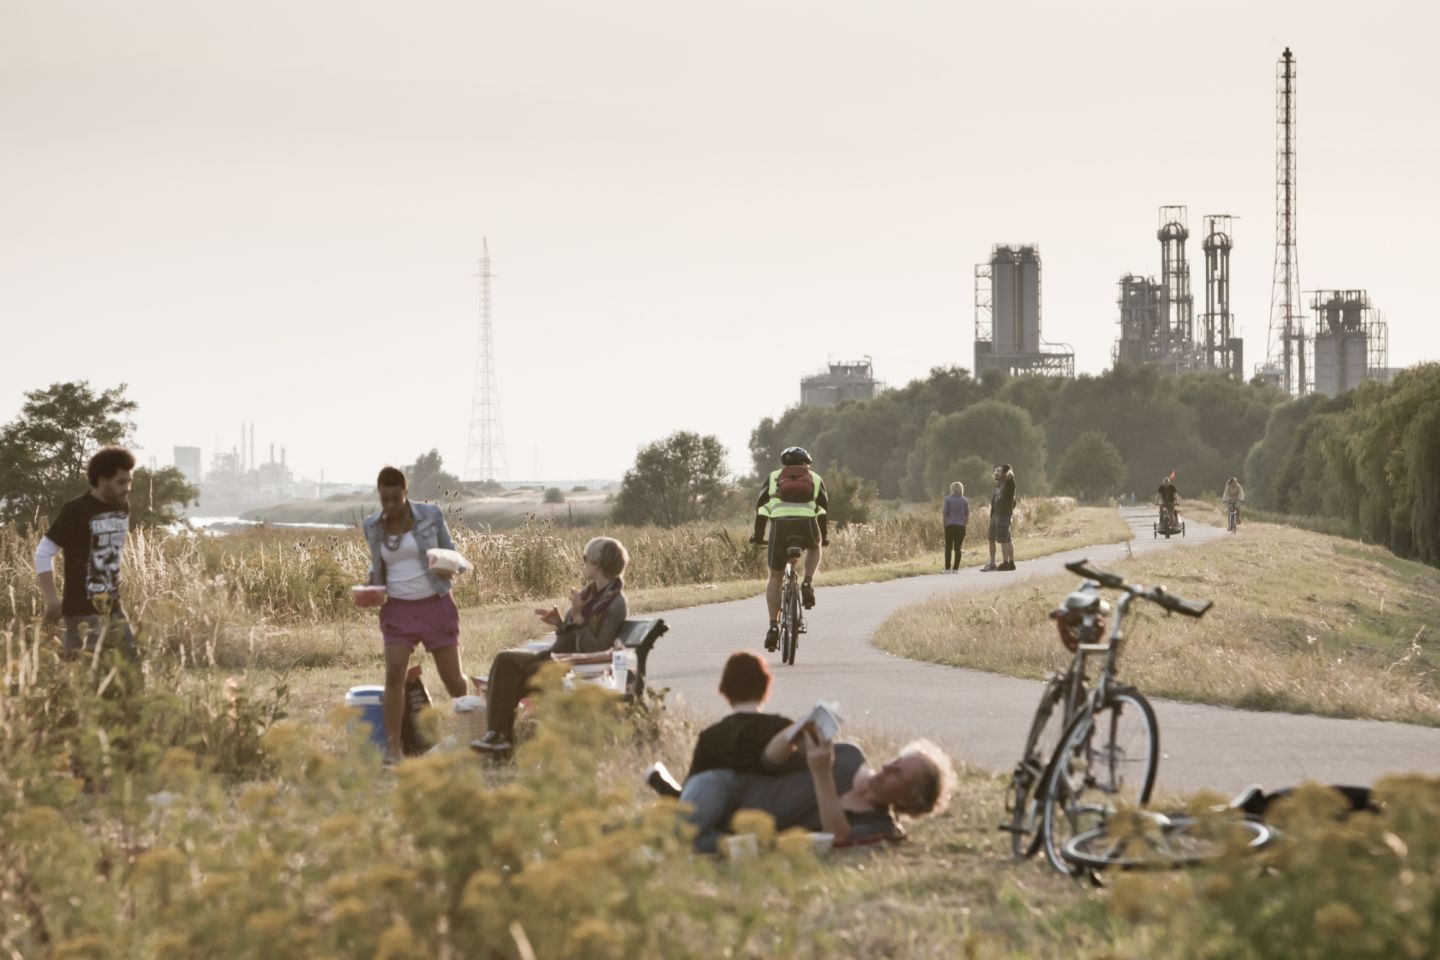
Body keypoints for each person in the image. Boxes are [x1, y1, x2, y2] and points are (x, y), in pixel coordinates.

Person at [471, 536, 630, 754]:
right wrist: (560, 622)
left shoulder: (615, 603)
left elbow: (597, 648)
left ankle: (503, 742)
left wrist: (578, 617)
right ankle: (497, 735)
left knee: (514, 676)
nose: (583, 563)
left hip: (574, 666)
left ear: (597, 563)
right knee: (505, 660)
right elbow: (573, 634)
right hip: (558, 655)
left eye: (585, 559)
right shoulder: (591, 594)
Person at [680, 727, 953, 853]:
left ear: (908, 798)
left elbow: (836, 837)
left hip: (742, 831)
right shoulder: (849, 756)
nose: (887, 767)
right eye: (895, 761)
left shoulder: (876, 825)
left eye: (898, 773)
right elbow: (769, 759)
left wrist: (822, 772)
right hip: (727, 788)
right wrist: (796, 732)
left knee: (685, 839)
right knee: (685, 835)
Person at [362, 466, 469, 763]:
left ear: (406, 493)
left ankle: (471, 733)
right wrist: (371, 584)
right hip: (398, 609)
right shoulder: (372, 526)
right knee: (394, 673)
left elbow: (454, 554)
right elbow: (378, 566)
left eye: (396, 498)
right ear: (380, 495)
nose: (390, 506)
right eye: (385, 499)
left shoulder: (430, 515)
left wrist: (446, 564)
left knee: (453, 680)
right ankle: (394, 750)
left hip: (435, 604)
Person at [34, 447, 139, 659]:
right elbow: (43, 553)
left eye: (129, 481)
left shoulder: (122, 506)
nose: (127, 488)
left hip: (113, 607)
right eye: (121, 482)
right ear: (102, 480)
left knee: (132, 670)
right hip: (82, 611)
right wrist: (52, 599)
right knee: (83, 676)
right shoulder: (76, 510)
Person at [649, 651, 798, 797]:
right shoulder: (784, 731)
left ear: (724, 690)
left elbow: (689, 797)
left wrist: (656, 779)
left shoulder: (711, 738)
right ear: (766, 686)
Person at [751, 447, 829, 653]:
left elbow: (761, 509)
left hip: (780, 527)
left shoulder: (773, 477)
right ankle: (807, 582)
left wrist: (758, 537)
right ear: (806, 463)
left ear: (784, 464)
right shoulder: (815, 478)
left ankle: (773, 626)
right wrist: (825, 536)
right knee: (815, 546)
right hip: (806, 525)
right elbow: (822, 511)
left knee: (775, 577)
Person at [981, 464, 1017, 572]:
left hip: (1003, 515)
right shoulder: (998, 485)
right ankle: (994, 563)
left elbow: (1011, 476)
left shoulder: (1009, 484)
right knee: (995, 538)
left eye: (999, 471)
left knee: (1004, 540)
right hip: (995, 515)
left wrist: (1008, 472)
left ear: (1005, 474)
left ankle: (1007, 563)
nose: (996, 473)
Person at [942, 482, 969, 573]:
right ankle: (956, 568)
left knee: (948, 547)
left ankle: (947, 568)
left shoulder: (948, 499)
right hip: (961, 526)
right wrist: (964, 524)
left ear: (952, 489)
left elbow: (945, 513)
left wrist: (944, 524)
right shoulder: (964, 500)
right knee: (958, 547)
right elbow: (966, 515)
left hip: (950, 525)